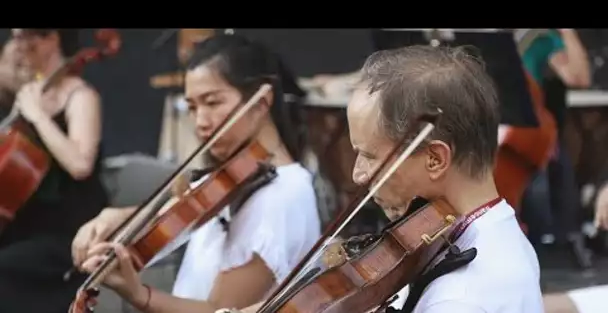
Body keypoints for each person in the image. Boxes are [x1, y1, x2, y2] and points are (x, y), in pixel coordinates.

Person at [219, 44, 544, 313]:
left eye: (371, 155)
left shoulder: (462, 296)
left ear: (435, 158)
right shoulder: (465, 234)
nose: (358, 174)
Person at [73, 34, 321, 312]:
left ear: (261, 103)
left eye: (213, 103)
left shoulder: (284, 197)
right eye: (192, 107)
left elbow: (219, 310)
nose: (200, 122)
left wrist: (140, 295)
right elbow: (170, 216)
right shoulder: (230, 177)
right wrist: (117, 217)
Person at [0, 29, 109, 313]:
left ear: (52, 38)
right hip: (24, 226)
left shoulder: (80, 95)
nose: (18, 45)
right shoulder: (26, 94)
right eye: (15, 36)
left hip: (68, 231)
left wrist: (36, 115)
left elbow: (80, 165)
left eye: (25, 36)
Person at [516, 28, 591, 265]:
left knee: (537, 199)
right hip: (496, 129)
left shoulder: (543, 39)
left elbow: (578, 78)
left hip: (528, 135)